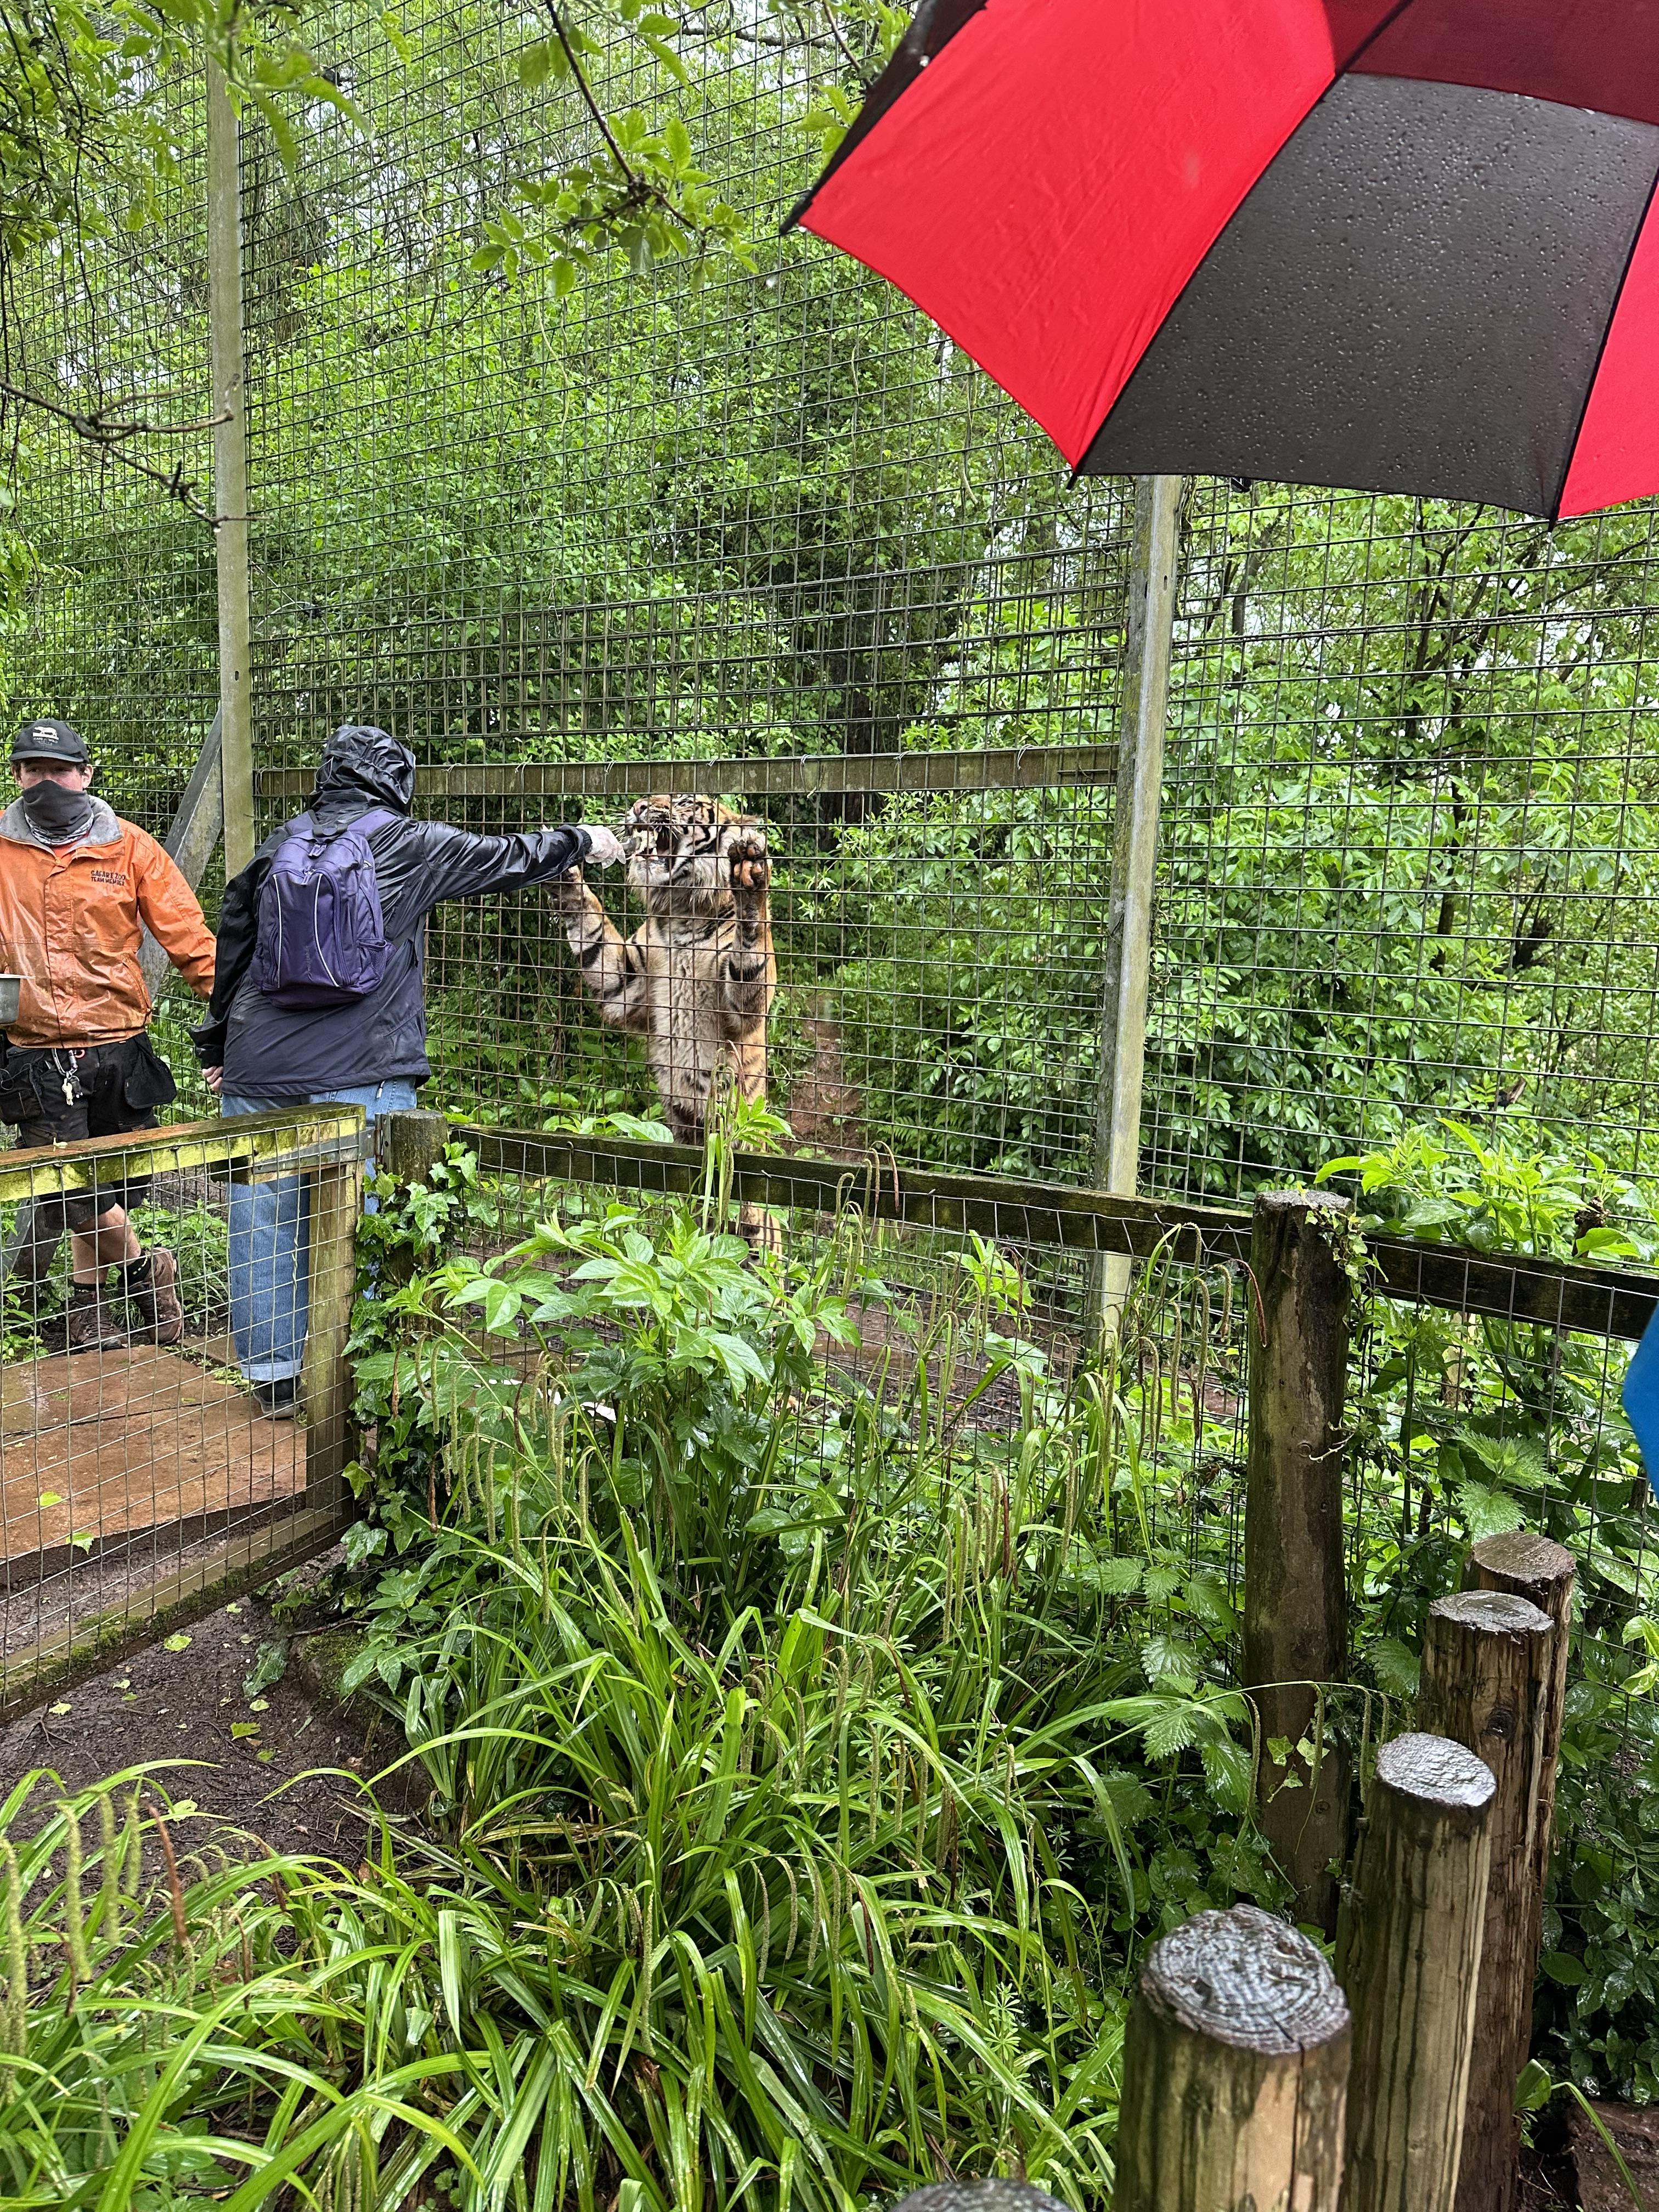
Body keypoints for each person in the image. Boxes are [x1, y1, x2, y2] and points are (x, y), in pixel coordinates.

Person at [193, 723, 625, 1417]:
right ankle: (369, 1373)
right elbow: (509, 858)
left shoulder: (280, 843)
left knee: (261, 1221)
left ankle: (276, 1380)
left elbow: (235, 942)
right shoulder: (408, 841)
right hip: (361, 1067)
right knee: (371, 1220)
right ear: (397, 781)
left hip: (258, 1066)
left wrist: (217, 1046)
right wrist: (586, 840)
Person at [0, 717, 216, 1350]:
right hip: (35, 1051)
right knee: (71, 1187)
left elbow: (189, 937)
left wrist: (235, 1019)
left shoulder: (129, 847)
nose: (47, 781)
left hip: (118, 1045)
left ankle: (88, 1307)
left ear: (86, 774)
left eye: (59, 770)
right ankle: (150, 1270)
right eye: (34, 770)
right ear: (17, 776)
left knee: (103, 1185)